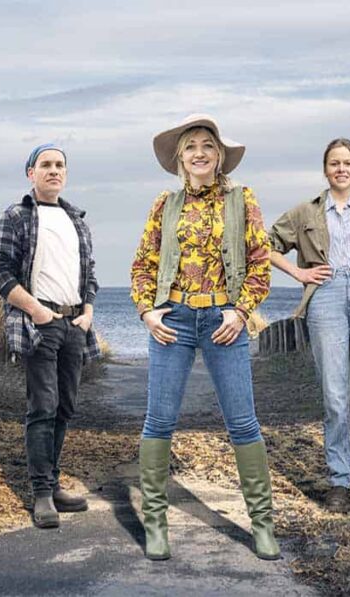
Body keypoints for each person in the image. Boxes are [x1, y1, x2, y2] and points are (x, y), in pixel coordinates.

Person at [130, 113, 279, 561]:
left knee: (242, 422)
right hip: (172, 319)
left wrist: (241, 311)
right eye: (191, 146)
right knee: (159, 421)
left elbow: (260, 263)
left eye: (208, 146)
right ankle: (156, 524)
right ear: (181, 157)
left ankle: (263, 525)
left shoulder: (242, 201)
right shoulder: (164, 205)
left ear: (219, 157)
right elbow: (143, 265)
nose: (200, 152)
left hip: (223, 320)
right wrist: (147, 312)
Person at [268, 138, 350, 513]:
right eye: (334, 163)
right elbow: (264, 244)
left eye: (347, 162)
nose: (341, 168)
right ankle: (339, 481)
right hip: (324, 296)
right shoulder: (306, 212)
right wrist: (298, 272)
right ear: (325, 170)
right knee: (336, 395)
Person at [0, 143, 99, 529]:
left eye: (60, 165)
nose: (54, 170)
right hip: (40, 323)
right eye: (45, 165)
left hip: (73, 326)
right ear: (30, 173)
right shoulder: (16, 216)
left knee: (65, 407)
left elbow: (90, 273)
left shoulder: (77, 220)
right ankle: (41, 494)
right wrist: (36, 310)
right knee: (43, 407)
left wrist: (88, 312)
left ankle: (53, 481)